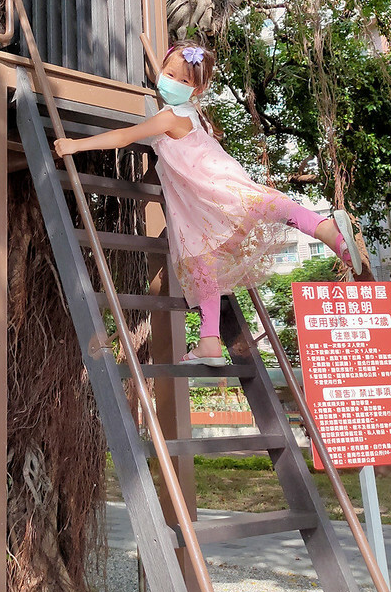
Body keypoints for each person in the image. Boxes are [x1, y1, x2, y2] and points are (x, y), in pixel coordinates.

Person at [54, 40, 364, 366]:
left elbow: (124, 137)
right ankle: (210, 341)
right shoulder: (192, 113)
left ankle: (325, 228)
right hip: (194, 202)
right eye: (167, 73)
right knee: (203, 266)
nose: (169, 81)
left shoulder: (170, 117)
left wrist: (75, 144)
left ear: (197, 88)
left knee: (259, 206)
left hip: (208, 187)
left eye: (183, 80)